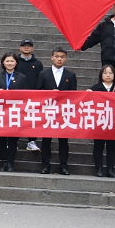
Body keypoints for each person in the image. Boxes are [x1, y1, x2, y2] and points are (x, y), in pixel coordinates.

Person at [37, 47, 77, 175]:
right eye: (57, 56)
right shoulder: (43, 74)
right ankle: (45, 166)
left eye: (62, 57)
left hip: (64, 113)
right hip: (48, 111)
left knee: (64, 141)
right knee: (46, 140)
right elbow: (37, 92)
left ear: (66, 59)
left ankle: (63, 166)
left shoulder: (70, 75)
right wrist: (49, 94)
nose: (59, 59)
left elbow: (74, 95)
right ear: (52, 57)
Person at [86, 64, 115, 178]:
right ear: (101, 75)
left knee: (112, 147)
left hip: (114, 122)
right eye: (105, 73)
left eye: (110, 73)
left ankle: (111, 169)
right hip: (99, 121)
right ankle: (99, 168)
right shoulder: (95, 88)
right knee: (98, 146)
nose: (108, 75)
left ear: (114, 75)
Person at [0, 52, 27, 172]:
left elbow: (25, 95)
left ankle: (10, 162)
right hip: (1, 111)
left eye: (12, 61)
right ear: (3, 62)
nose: (9, 63)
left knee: (13, 139)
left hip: (15, 112)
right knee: (1, 139)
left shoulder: (22, 77)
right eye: (7, 61)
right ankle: (3, 162)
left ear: (16, 63)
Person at [16, 39, 43, 152]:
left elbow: (40, 78)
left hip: (32, 95)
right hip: (17, 95)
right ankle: (14, 140)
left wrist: (36, 92)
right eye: (24, 46)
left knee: (32, 119)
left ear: (33, 48)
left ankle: (31, 141)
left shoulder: (37, 64)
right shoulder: (15, 61)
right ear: (20, 48)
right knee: (16, 118)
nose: (26, 48)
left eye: (29, 46)